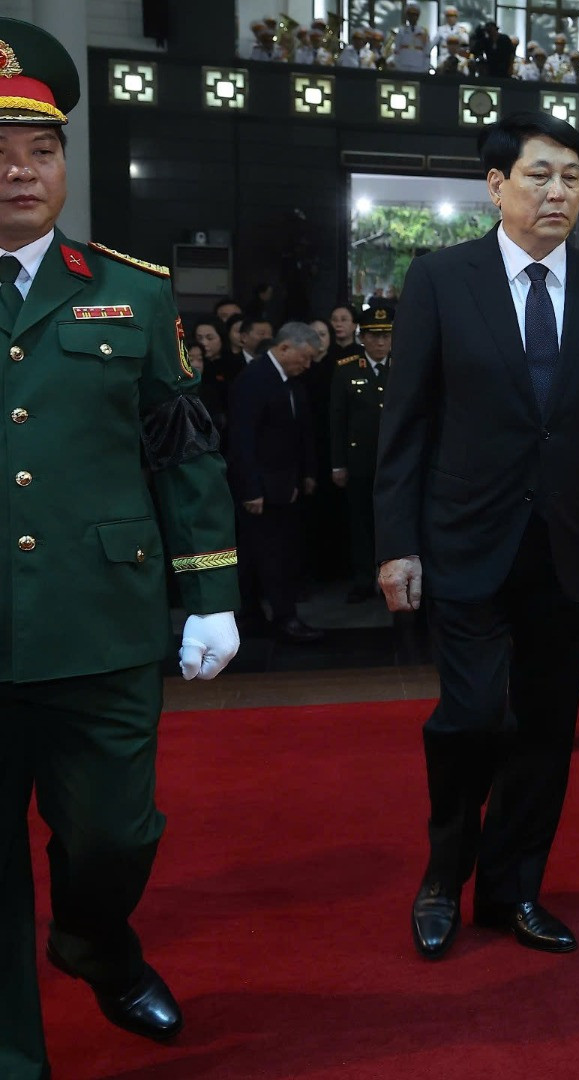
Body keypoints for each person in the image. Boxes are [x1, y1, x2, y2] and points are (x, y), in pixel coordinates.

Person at [0, 20, 242, 1075]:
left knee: (116, 836)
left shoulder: (132, 292)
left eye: (40, 150)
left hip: (102, 621)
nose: (19, 172)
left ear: (66, 162)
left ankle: (94, 937)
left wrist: (214, 590)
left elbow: (183, 449)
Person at [375, 111, 579, 962]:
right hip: (465, 541)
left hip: (568, 547)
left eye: (571, 177)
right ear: (495, 185)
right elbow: (407, 422)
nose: (558, 192)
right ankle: (442, 876)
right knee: (468, 717)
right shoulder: (441, 278)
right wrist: (398, 541)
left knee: (544, 730)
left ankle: (513, 891)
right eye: (540, 175)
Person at [227, 323, 325, 643]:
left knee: (281, 552)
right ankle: (275, 616)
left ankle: (270, 614)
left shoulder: (291, 381)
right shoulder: (254, 379)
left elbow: (298, 433)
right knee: (265, 555)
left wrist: (304, 474)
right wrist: (251, 488)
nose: (308, 365)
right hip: (260, 489)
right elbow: (242, 440)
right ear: (285, 348)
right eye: (305, 357)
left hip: (284, 486)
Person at [331, 300, 393, 603]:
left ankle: (389, 581)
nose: (380, 342)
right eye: (373, 335)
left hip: (394, 463)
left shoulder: (404, 365)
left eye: (385, 335)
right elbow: (337, 420)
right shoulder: (345, 369)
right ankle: (361, 579)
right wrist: (337, 464)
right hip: (359, 461)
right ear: (362, 337)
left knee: (390, 523)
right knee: (359, 524)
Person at [391, 3, 430, 73]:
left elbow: (426, 50)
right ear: (407, 16)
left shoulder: (423, 32)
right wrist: (397, 64)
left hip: (419, 65)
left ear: (418, 16)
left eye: (415, 15)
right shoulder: (401, 31)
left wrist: (426, 66)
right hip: (403, 64)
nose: (413, 17)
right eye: (410, 15)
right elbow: (397, 49)